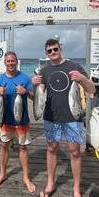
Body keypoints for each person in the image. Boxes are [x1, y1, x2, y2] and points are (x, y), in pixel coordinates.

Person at [32, 39, 95, 197]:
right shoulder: (44, 71)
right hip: (51, 117)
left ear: (61, 48)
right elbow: (37, 99)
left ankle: (76, 189)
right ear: (46, 53)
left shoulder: (74, 66)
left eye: (55, 49)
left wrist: (81, 78)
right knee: (52, 149)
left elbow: (92, 88)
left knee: (74, 152)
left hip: (73, 116)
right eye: (49, 51)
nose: (53, 52)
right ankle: (50, 183)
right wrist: (33, 85)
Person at [0, 51, 36, 194]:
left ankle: (26, 177)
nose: (10, 63)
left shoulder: (25, 78)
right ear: (4, 63)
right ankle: (2, 174)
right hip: (5, 119)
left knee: (23, 148)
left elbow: (34, 97)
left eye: (13, 61)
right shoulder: (0, 79)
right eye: (8, 61)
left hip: (21, 119)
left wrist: (25, 92)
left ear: (16, 62)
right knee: (4, 145)